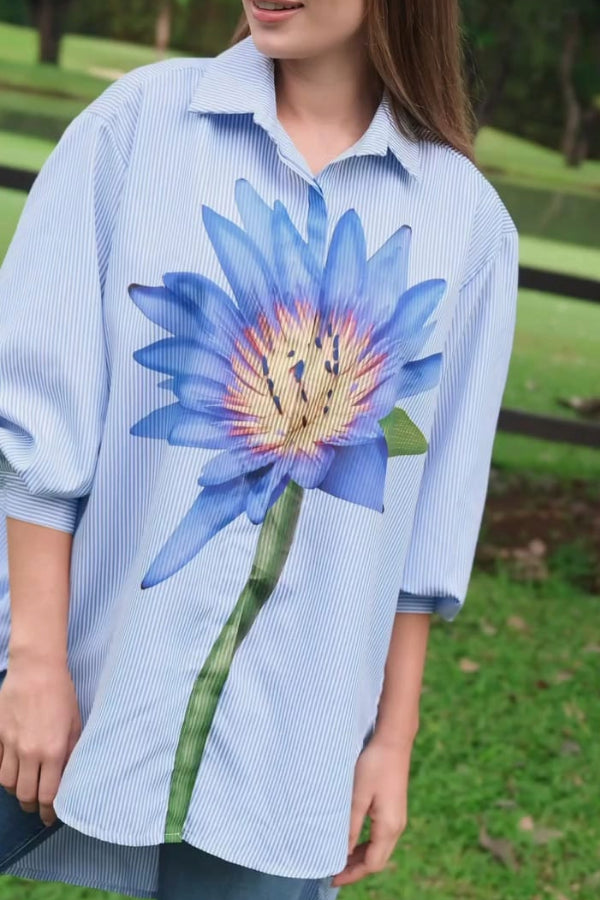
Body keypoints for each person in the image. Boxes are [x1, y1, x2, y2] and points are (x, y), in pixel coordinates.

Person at [0, 0, 519, 898]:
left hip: (293, 739)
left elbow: (426, 525)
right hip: (67, 656)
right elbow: (39, 413)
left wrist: (389, 743)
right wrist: (37, 660)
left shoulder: (467, 226)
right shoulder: (134, 128)